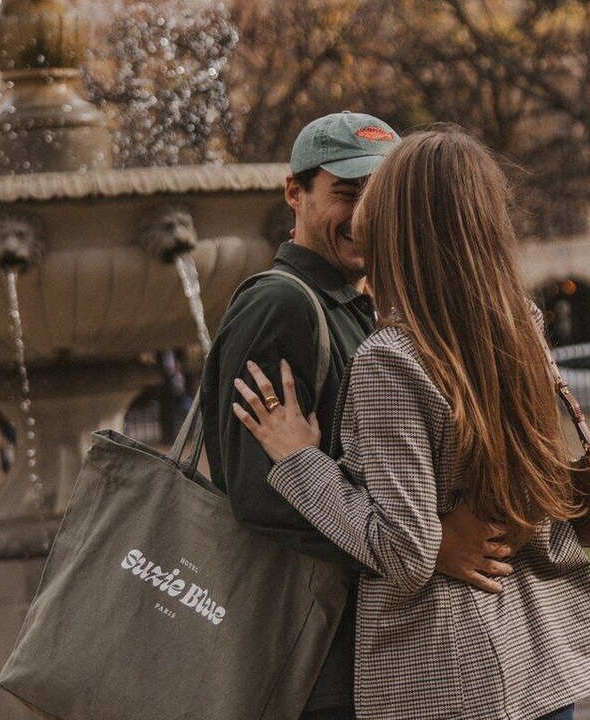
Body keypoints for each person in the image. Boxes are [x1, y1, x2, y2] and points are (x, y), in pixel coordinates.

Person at [232, 127, 590, 720]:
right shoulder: (521, 324)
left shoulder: (394, 360)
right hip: (540, 660)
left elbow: (405, 550)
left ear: (396, 222)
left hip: (453, 676)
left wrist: (301, 461)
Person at [199, 113, 510, 720]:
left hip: (365, 633)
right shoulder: (281, 305)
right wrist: (429, 546)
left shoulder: (365, 305)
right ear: (294, 192)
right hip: (314, 647)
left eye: (379, 194)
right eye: (346, 193)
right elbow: (252, 491)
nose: (366, 215)